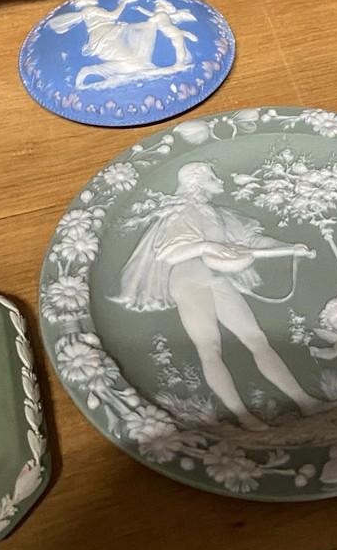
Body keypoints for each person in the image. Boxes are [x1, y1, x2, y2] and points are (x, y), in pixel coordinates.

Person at [114, 162, 321, 429]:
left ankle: (305, 402)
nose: (220, 182)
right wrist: (207, 245)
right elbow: (169, 253)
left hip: (217, 277)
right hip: (189, 280)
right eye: (214, 177)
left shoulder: (219, 214)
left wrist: (290, 248)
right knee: (210, 347)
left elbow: (253, 243)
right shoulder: (182, 212)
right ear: (198, 181)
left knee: (255, 337)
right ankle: (242, 416)